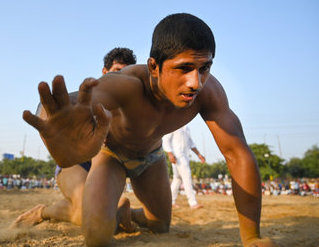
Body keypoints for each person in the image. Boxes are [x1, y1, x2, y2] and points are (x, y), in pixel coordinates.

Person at [21, 13, 277, 247]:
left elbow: (237, 154)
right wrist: (53, 119)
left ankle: (126, 213)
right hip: (112, 157)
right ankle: (64, 212)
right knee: (97, 237)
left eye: (204, 68)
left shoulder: (209, 93)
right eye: (184, 68)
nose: (195, 82)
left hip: (152, 158)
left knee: (160, 225)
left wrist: (252, 237)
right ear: (154, 66)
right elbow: (70, 103)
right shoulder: (128, 84)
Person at [14, 47, 137, 232]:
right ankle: (43, 212)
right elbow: (52, 109)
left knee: (101, 220)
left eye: (127, 74)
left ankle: (117, 212)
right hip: (75, 163)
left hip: (105, 165)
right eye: (117, 71)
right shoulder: (89, 98)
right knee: (84, 213)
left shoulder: (131, 107)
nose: (121, 78)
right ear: (105, 72)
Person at [162, 125, 205, 209]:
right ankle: (192, 203)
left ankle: (170, 202)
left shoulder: (186, 128)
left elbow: (191, 143)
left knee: (178, 179)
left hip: (185, 156)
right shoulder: (173, 125)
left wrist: (199, 155)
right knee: (187, 176)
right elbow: (165, 140)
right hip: (177, 156)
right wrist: (170, 154)